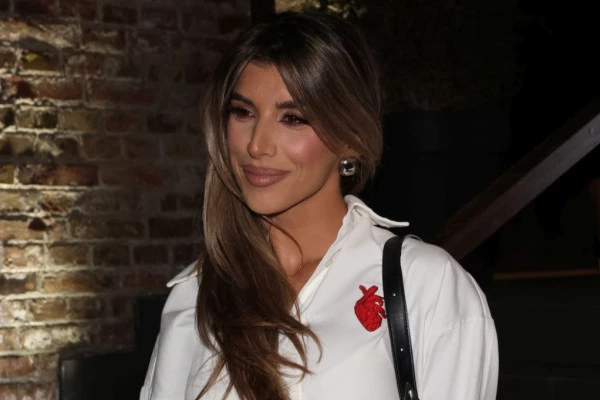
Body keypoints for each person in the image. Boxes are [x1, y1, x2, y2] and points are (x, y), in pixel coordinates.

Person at [140, 11, 498, 400]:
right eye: (243, 113)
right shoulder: (196, 296)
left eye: (293, 118)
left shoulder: (426, 285)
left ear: (350, 138)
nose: (257, 145)